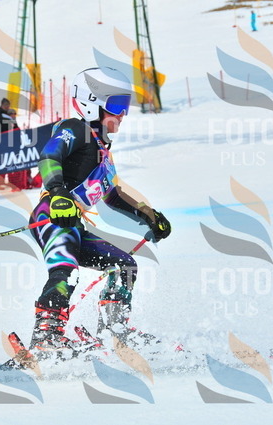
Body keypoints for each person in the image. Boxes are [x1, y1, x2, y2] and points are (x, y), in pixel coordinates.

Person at [28, 67, 172, 354]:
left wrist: (149, 216)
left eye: (125, 105)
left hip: (73, 224)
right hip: (51, 216)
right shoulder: (76, 128)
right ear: (91, 102)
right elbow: (49, 155)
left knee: (123, 266)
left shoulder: (102, 151)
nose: (123, 114)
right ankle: (46, 336)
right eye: (116, 105)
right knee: (65, 270)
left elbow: (112, 197)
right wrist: (58, 193)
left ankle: (114, 331)